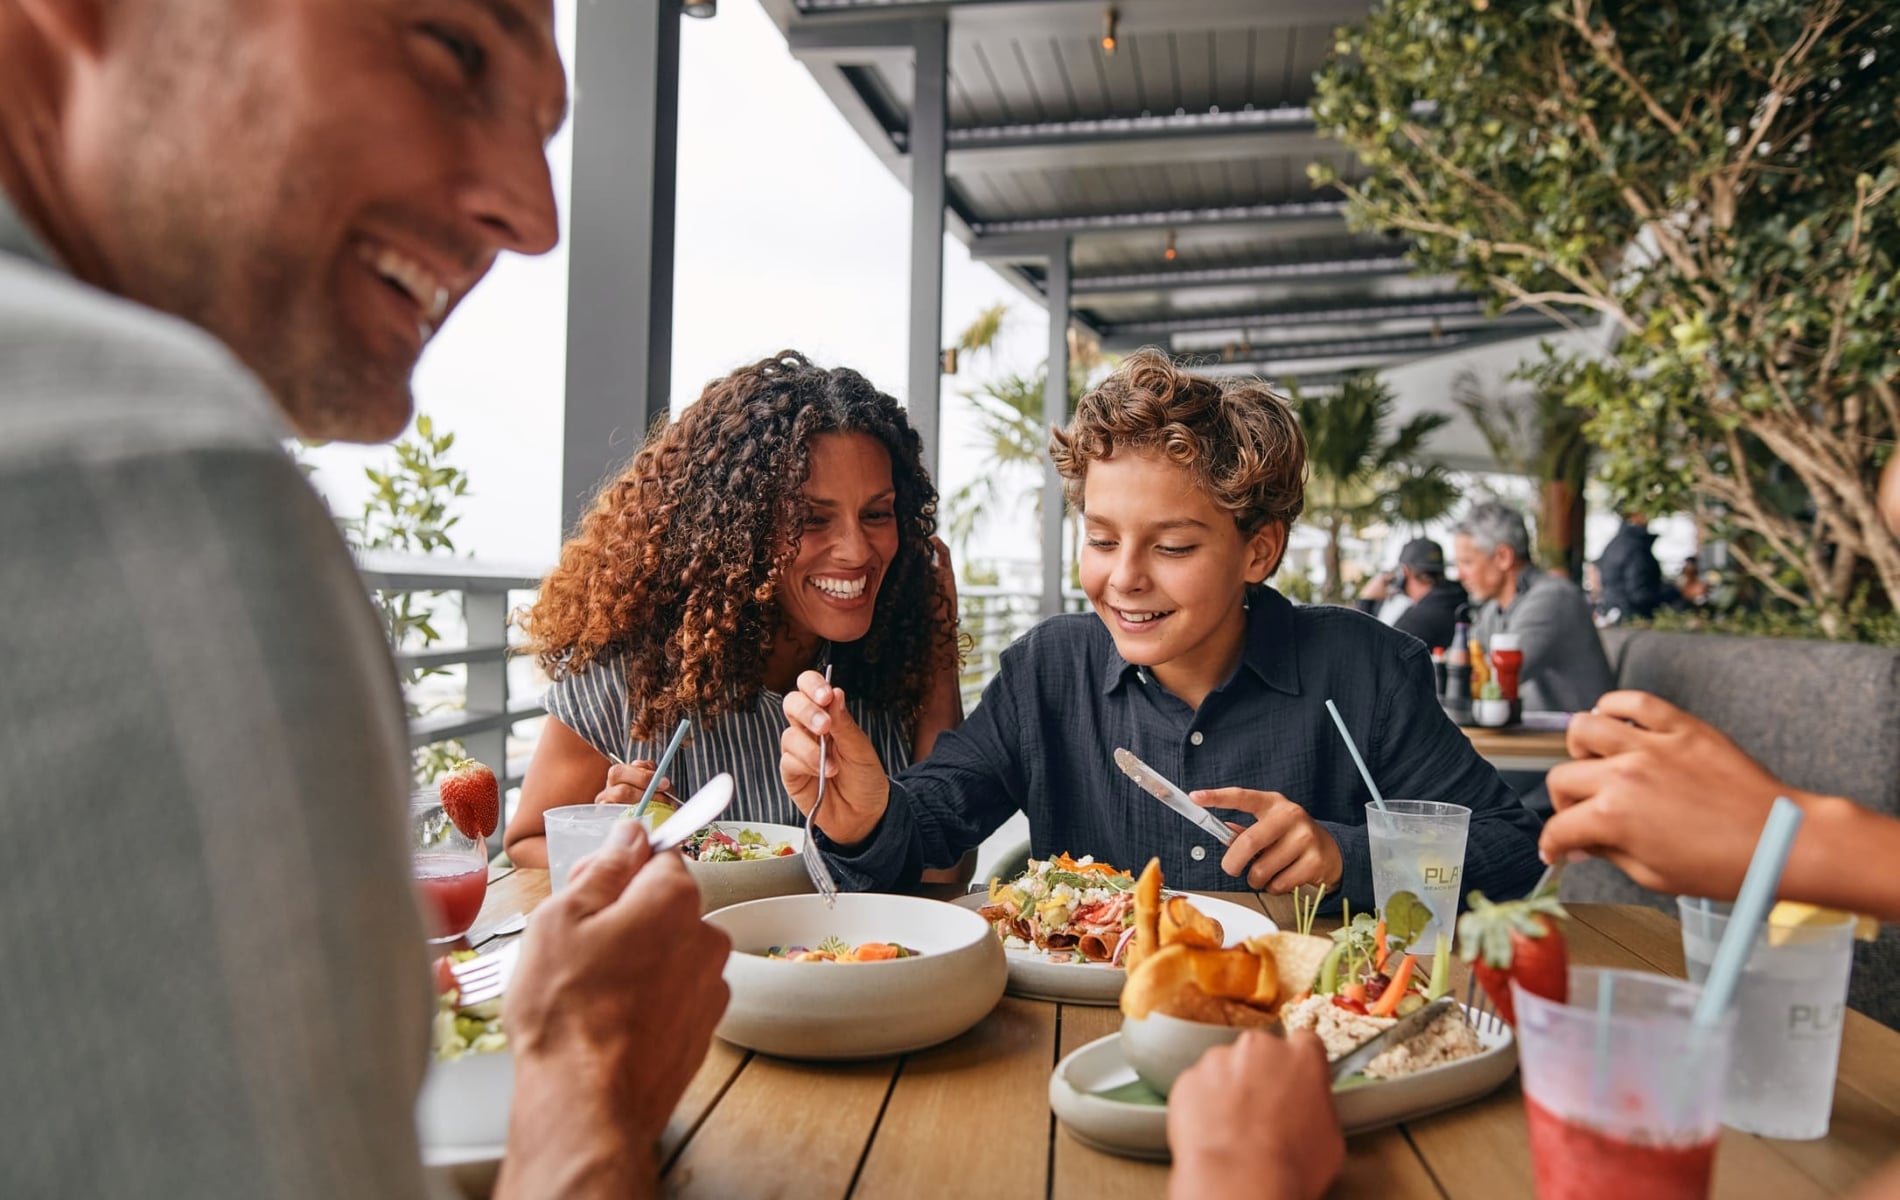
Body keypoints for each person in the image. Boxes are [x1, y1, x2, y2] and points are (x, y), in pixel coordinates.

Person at [0, 1, 728, 1195]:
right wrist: (585, 1100)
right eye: (449, 47)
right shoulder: (144, 476)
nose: (534, 215)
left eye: (546, 124)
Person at [778, 352, 1544, 910]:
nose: (1125, 578)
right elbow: (936, 820)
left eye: (1173, 547)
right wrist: (871, 813)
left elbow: (1513, 851)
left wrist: (1344, 856)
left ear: (1259, 550)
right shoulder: (1051, 670)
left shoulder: (1363, 669)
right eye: (1102, 540)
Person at [506, 351, 963, 866]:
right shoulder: (632, 673)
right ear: (736, 530)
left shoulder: (896, 656)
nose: (857, 550)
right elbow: (527, 842)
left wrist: (938, 643)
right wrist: (616, 840)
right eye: (812, 519)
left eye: (877, 513)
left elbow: (942, 864)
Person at [1452, 501, 1613, 713]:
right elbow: (1460, 666)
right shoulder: (1494, 609)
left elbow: (1491, 680)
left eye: (1467, 562)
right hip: (1531, 737)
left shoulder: (1553, 599)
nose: (1459, 575)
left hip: (1571, 740)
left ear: (1503, 557)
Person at [1355, 536, 1469, 651]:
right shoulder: (1456, 597)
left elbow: (1370, 653)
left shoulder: (1420, 618)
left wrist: (1366, 601)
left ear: (1403, 572)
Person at [1594, 513, 1667, 623]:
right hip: (1632, 615)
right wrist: (1673, 595)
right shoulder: (1635, 547)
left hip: (1616, 611)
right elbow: (1639, 590)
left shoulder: (1615, 543)